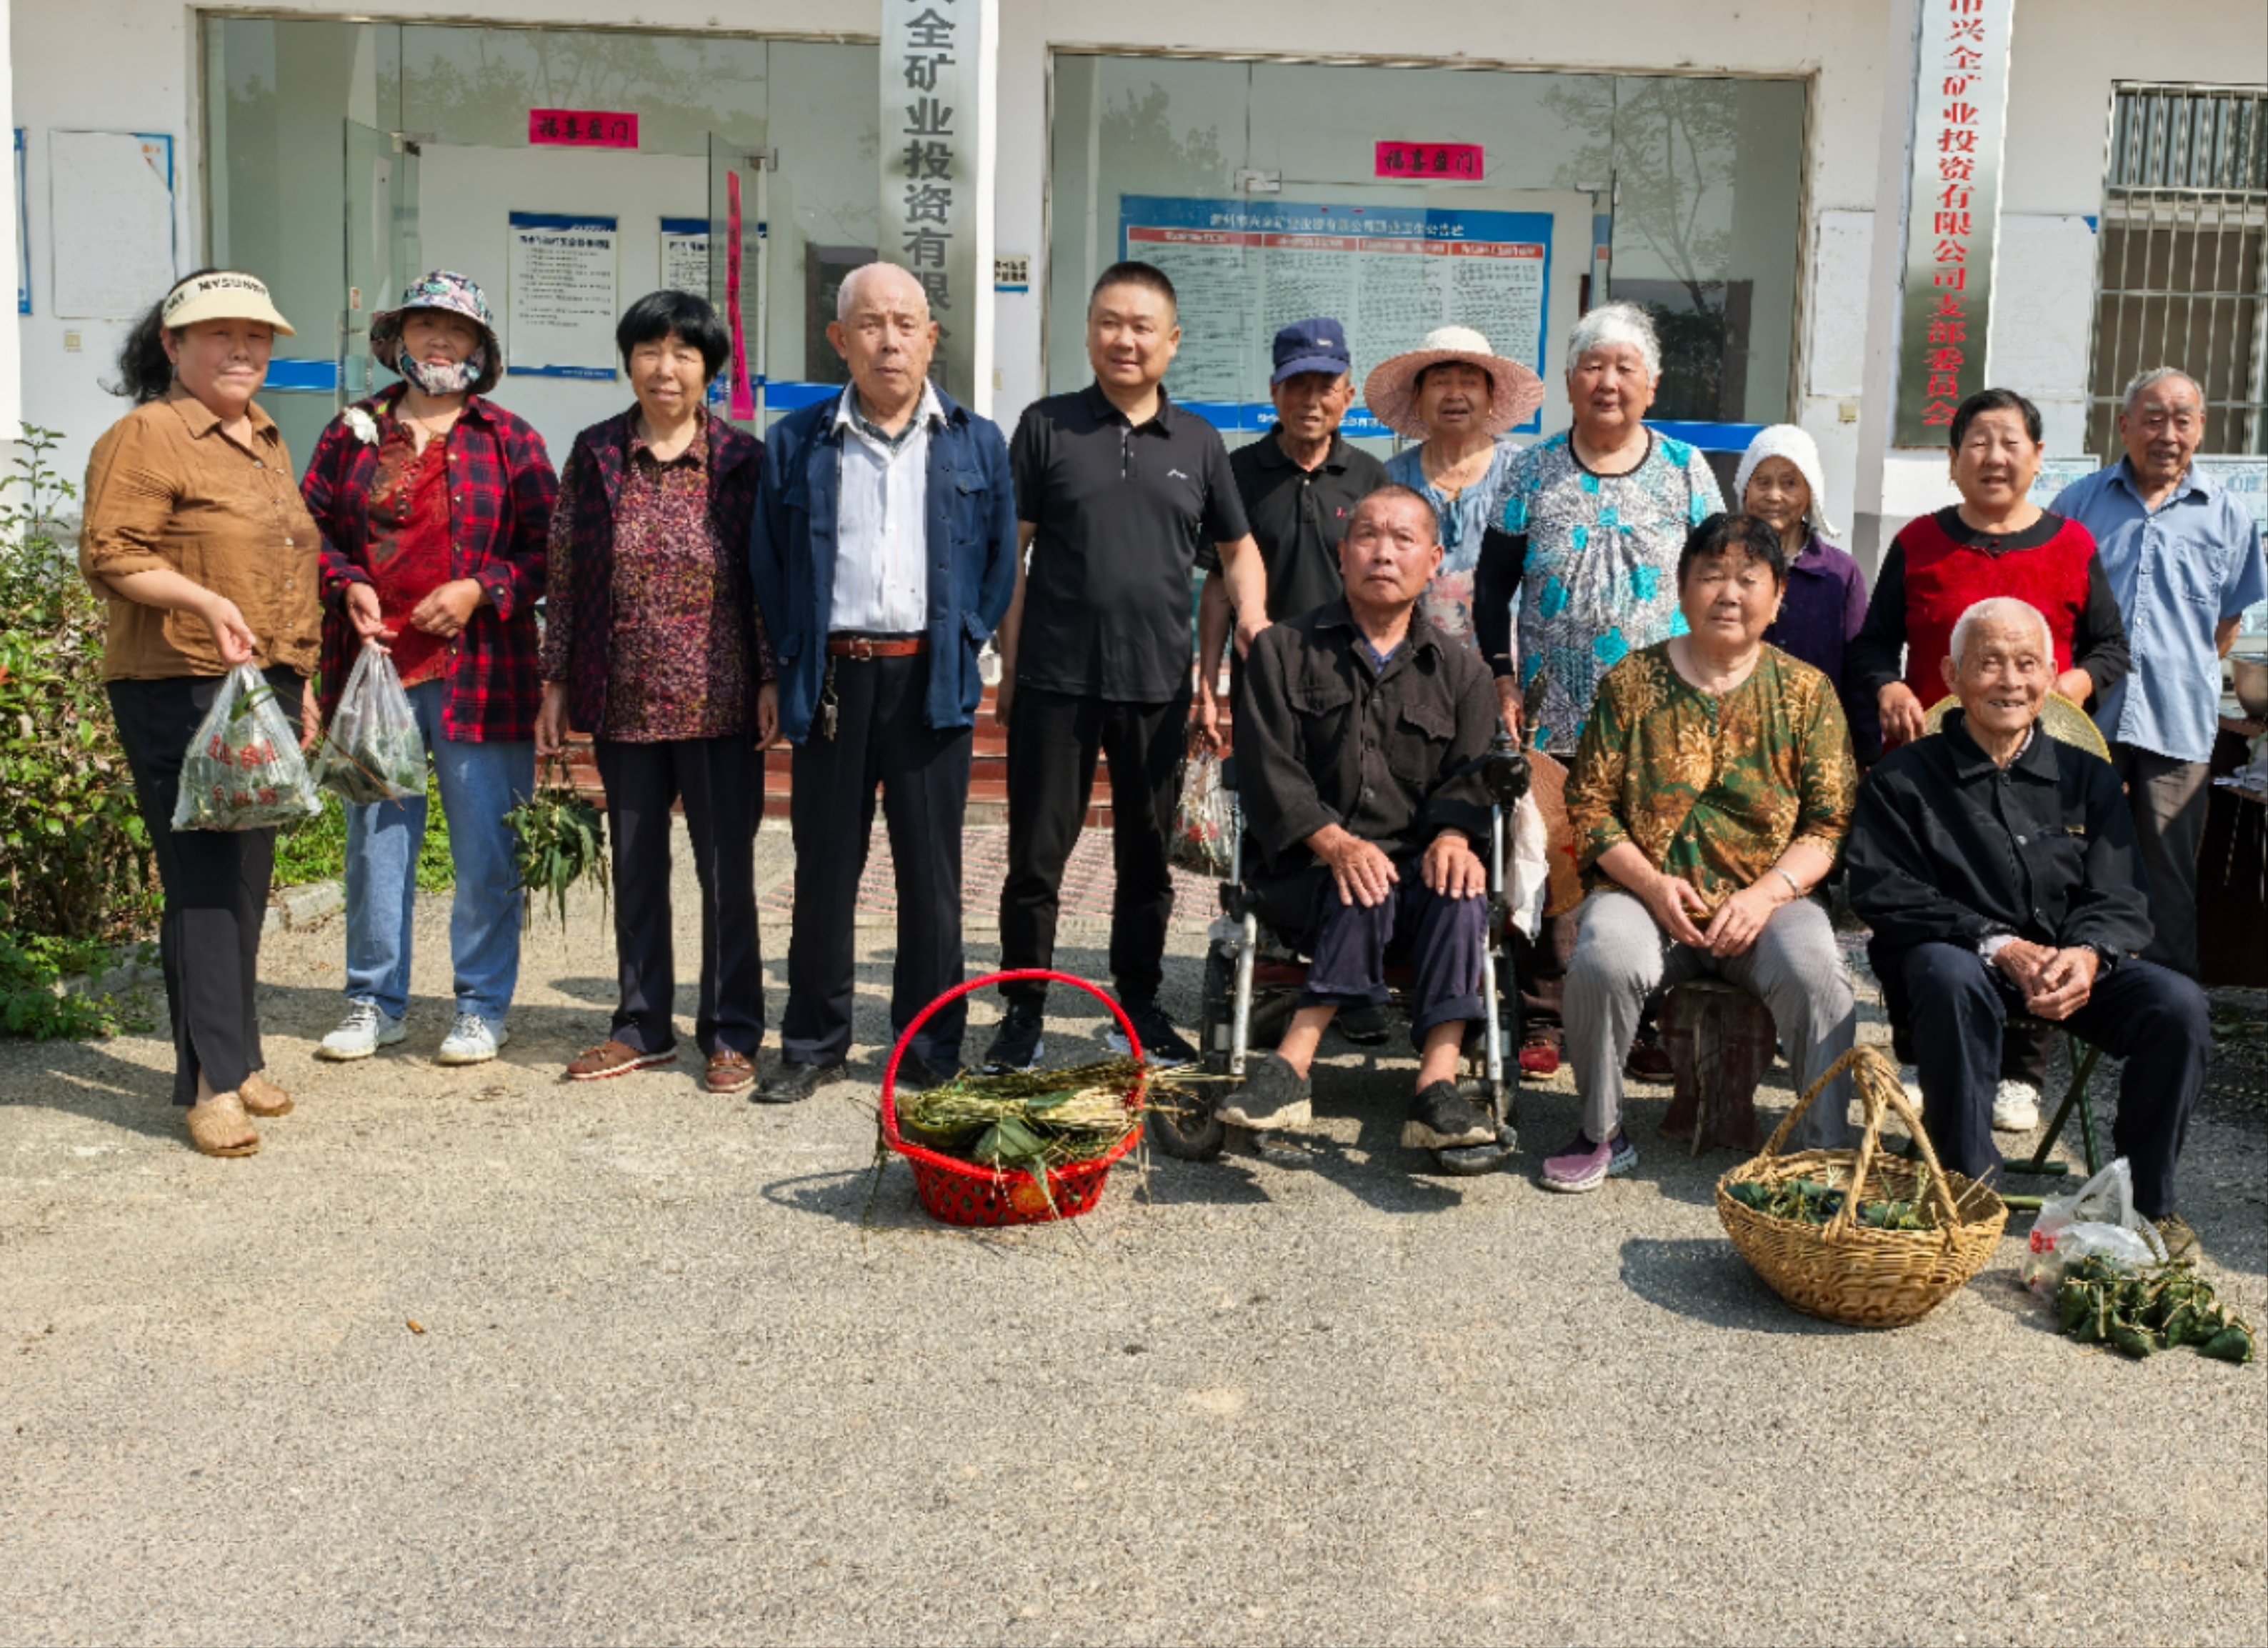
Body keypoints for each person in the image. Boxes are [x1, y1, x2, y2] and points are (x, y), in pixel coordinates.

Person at [1846, 596, 2209, 1259]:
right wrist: (2000, 943)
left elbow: (2122, 893)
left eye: (2025, 664)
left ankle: (2143, 1203)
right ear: (1952, 675)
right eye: (1988, 663)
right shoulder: (1902, 779)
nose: (2009, 681)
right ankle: (1966, 1186)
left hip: (2067, 969)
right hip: (1961, 968)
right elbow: (1882, 889)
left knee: (2177, 1005)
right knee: (1944, 970)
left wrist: (2088, 953)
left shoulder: (2088, 778)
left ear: (2048, 676)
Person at [748, 264, 1018, 1102]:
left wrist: (966, 638)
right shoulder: (798, 441)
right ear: (840, 339)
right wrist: (794, 655)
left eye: (906, 324)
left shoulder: (975, 441)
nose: (889, 341)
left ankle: (930, 1048)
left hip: (929, 681)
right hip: (833, 678)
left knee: (930, 875)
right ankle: (813, 1043)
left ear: (932, 338)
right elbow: (768, 561)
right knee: (825, 868)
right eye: (870, 324)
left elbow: (1001, 561)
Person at [989, 260, 1268, 1072]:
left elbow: (1237, 551)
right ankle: (1023, 1010)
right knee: (1036, 859)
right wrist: (1009, 666)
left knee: (1146, 861)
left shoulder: (1199, 442)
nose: (1124, 339)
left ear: (1171, 341)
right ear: (1087, 333)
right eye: (1109, 322)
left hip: (1155, 686)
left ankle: (1137, 1007)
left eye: (1142, 326)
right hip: (1054, 681)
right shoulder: (1045, 426)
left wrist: (1251, 619)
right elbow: (1012, 555)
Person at [79, 269, 321, 1157]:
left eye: (256, 336)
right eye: (220, 334)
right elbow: (110, 552)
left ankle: (238, 1055)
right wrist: (203, 600)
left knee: (246, 879)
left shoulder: (265, 436)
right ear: (173, 345)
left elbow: (283, 567)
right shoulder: (148, 433)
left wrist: (302, 681)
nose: (242, 350)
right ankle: (212, 1084)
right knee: (205, 881)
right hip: (177, 680)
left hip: (259, 683)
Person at [1847, 386, 2132, 1132]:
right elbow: (1872, 644)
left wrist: (2066, 687)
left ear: (2038, 458)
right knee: (1923, 899)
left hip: (2038, 759)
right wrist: (1886, 687)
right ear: (1952, 460)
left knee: (2040, 888)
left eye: (2010, 442)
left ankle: (2021, 1070)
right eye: (1977, 442)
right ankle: (1919, 1049)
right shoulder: (1919, 542)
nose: (1994, 457)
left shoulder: (2071, 545)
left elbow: (2110, 648)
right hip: (1934, 765)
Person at [1552, 512, 1859, 1192]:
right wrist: (1652, 885)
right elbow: (1590, 806)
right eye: (1711, 575)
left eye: (1748, 578)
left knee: (1817, 971)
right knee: (1602, 956)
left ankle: (1826, 1152)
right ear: (1681, 589)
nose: (1728, 593)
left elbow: (1830, 823)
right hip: (1645, 897)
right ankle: (1600, 1131)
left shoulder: (1806, 693)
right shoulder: (1631, 682)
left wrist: (1765, 895)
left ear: (1777, 597)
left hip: (1767, 905)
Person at [302, 271, 558, 1068]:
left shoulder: (509, 439)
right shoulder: (352, 432)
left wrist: (483, 588)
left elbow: (552, 548)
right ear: (399, 339)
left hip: (482, 676)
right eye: (425, 326)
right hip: (375, 672)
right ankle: (373, 1001)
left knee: (486, 851)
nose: (440, 341)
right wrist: (345, 584)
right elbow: (308, 530)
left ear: (479, 348)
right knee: (375, 846)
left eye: (458, 330)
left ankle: (482, 1006)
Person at [1473, 301, 1727, 1079]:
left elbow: (1721, 579)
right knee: (1552, 855)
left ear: (1651, 385)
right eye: (1593, 365)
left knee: (1653, 853)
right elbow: (1491, 588)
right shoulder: (1530, 470)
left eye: (1624, 368)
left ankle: (1647, 1016)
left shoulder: (1686, 470)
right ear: (1568, 381)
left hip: (1662, 713)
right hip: (1552, 710)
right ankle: (1545, 1014)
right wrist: (1502, 674)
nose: (1607, 382)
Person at [1213, 486, 1504, 1152]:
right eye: (1368, 536)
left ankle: (1436, 1086)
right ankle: (1291, 1068)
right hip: (1303, 871)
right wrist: (1335, 843)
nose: (1383, 552)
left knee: (1460, 890)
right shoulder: (1281, 651)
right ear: (1342, 554)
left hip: (1413, 870)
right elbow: (1266, 767)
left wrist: (1453, 835)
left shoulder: (1463, 673)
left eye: (1403, 539)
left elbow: (1470, 775)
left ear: (1433, 561)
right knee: (1362, 878)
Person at [535, 291, 776, 1095]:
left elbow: (767, 578)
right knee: (637, 868)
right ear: (628, 361)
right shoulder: (596, 452)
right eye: (648, 351)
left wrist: (770, 676)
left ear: (709, 369)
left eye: (683, 353)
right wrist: (556, 680)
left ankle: (731, 1031)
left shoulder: (742, 460)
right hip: (623, 696)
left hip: (720, 698)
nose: (664, 368)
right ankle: (641, 1025)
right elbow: (565, 570)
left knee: (726, 874)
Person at [2052, 367, 2267, 980]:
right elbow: (2054, 610)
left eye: (2180, 419)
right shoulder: (2078, 505)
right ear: (2124, 426)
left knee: (2168, 870)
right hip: (2087, 718)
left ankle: (2168, 994)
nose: (2166, 433)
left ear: (2200, 429)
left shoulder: (2227, 516)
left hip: (2177, 719)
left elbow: (2226, 625)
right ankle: (2060, 981)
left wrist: (2179, 667)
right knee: (2068, 852)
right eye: (2151, 418)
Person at [1194, 316, 1388, 749]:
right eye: (1298, 385)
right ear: (1274, 391)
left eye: (1326, 388)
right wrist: (1207, 688)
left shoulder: (1370, 478)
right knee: (1262, 789)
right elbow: (1219, 586)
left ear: (1348, 398)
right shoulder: (1237, 473)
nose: (1311, 401)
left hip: (1351, 683)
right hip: (1262, 680)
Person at [1367, 324, 1542, 649]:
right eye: (1440, 381)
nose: (1454, 394)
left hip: (1503, 664)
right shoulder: (1392, 479)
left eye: (1469, 382)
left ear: (1491, 398)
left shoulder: (1523, 474)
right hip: (1414, 660)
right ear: (1417, 399)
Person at [1736, 424, 1880, 764]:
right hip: (1736, 746)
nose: (1774, 495)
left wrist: (1868, 755)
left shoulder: (1839, 573)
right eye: (1762, 482)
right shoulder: (1723, 563)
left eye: (1790, 483)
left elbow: (1858, 669)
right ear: (1745, 489)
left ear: (1810, 493)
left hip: (1815, 751)